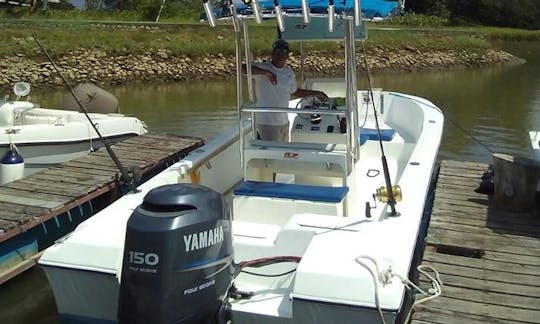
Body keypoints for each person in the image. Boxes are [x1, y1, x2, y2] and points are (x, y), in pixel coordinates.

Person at [242, 39, 328, 141]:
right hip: (267, 122)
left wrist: (316, 93)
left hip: (283, 121)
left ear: (287, 56)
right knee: (273, 154)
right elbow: (243, 68)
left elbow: (294, 91)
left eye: (283, 52)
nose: (280, 55)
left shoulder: (288, 72)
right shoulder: (263, 68)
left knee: (284, 152)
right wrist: (267, 73)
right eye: (277, 51)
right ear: (272, 54)